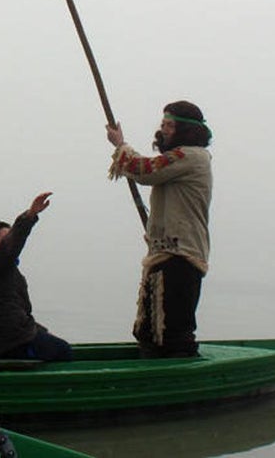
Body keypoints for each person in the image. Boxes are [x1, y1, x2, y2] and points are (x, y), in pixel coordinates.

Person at [106, 100, 213, 358]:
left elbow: (142, 170)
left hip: (180, 256)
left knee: (171, 331)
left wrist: (120, 145)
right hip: (163, 254)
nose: (163, 130)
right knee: (148, 330)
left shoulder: (191, 156)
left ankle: (184, 381)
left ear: (185, 130)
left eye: (169, 125)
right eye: (163, 124)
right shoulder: (180, 159)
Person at [0, 192, 72, 362]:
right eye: (4, 240)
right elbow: (13, 242)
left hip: (13, 336)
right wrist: (30, 215)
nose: (11, 245)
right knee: (64, 351)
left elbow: (22, 312)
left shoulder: (9, 271)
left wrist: (39, 330)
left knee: (49, 339)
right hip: (9, 342)